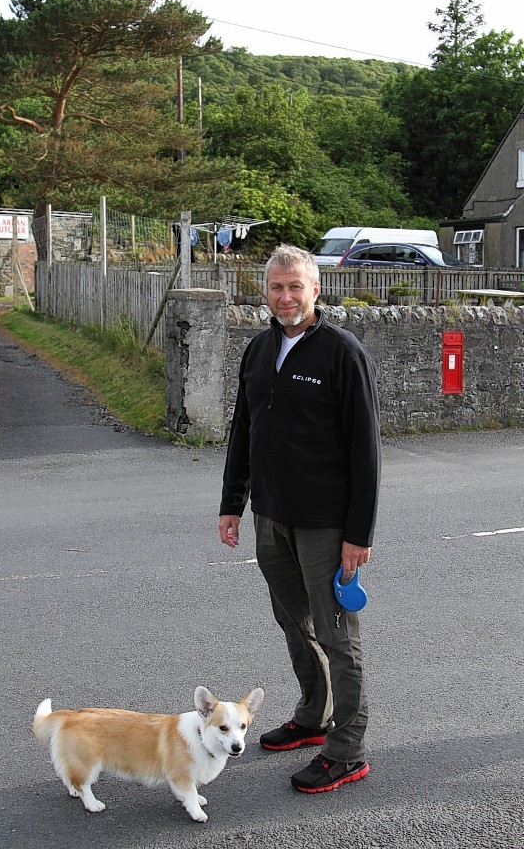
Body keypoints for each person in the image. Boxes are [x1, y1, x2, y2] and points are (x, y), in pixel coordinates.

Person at [218, 244, 381, 794]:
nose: (285, 297)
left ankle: (347, 749)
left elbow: (366, 450)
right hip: (270, 517)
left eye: (296, 287)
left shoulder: (341, 352)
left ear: (316, 290)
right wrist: (231, 502)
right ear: (266, 292)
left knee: (338, 634)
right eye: (276, 287)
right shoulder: (259, 349)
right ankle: (313, 716)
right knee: (293, 622)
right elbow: (244, 429)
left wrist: (358, 535)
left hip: (326, 524)